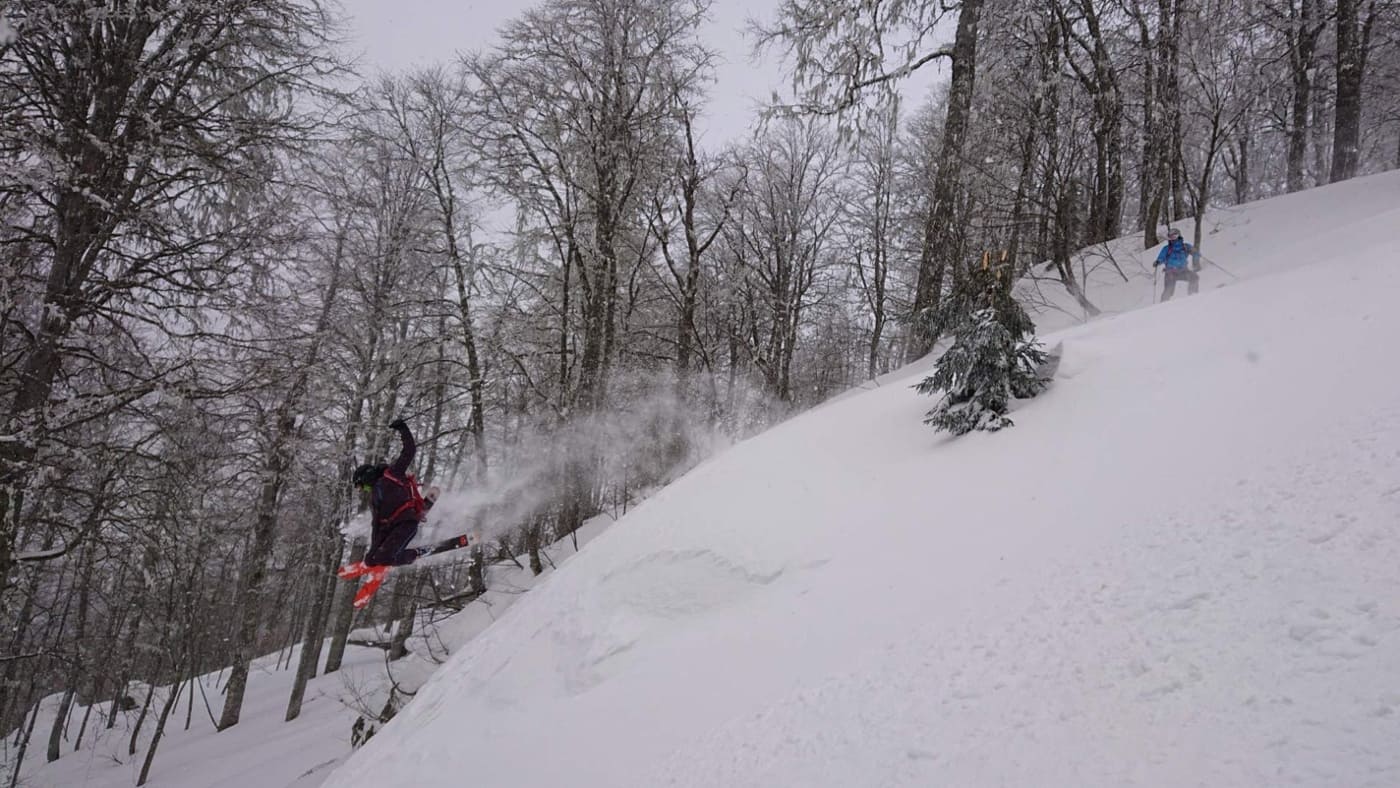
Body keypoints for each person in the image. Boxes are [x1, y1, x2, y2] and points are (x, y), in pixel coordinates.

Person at [351, 419, 439, 567]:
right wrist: (372, 551)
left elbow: (409, 451)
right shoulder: (374, 499)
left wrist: (403, 429)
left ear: (367, 477)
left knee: (385, 558)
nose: (365, 490)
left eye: (363, 487)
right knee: (372, 559)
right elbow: (377, 527)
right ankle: (386, 557)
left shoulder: (392, 474)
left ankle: (415, 552)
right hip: (392, 528)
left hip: (406, 523)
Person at [1153, 227, 1201, 301]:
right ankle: (1163, 304)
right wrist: (1158, 262)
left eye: (1174, 236)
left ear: (1179, 235)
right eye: (1170, 237)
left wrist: (1196, 254)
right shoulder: (1167, 248)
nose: (1173, 238)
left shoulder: (1185, 246)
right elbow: (1161, 257)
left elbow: (1195, 253)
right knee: (1169, 290)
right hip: (1170, 272)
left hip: (1183, 271)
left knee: (1194, 277)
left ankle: (1193, 296)